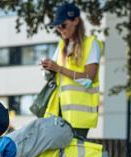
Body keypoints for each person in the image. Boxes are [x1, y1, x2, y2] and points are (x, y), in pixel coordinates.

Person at [41, 3, 102, 139]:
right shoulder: (62, 46)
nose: (60, 30)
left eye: (63, 25)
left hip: (78, 116)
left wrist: (58, 68)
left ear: (76, 21)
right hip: (57, 113)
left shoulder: (91, 44)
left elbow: (88, 79)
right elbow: (51, 76)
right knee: (55, 156)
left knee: (73, 156)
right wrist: (48, 69)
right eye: (57, 27)